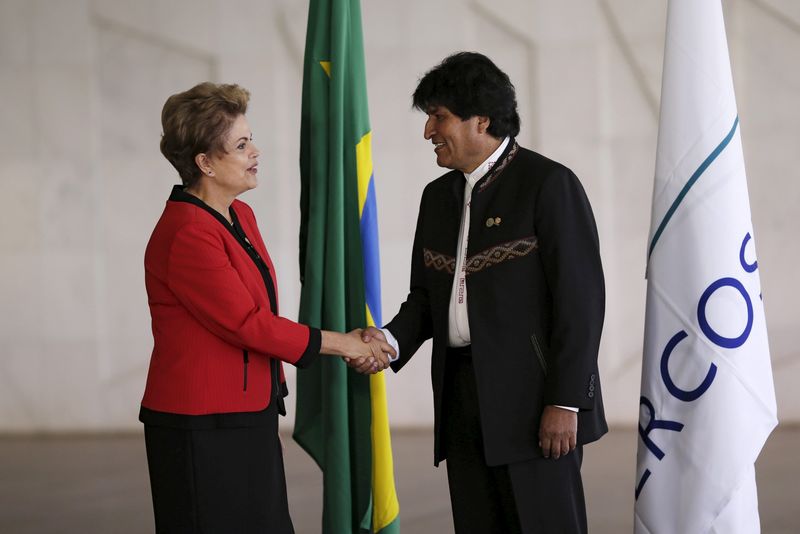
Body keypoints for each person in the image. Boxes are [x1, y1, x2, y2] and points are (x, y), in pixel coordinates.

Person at [358, 52, 607, 533]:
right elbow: (426, 301)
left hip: (536, 406)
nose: (428, 131)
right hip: (461, 403)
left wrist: (565, 402)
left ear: (482, 120)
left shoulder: (549, 184)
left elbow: (581, 303)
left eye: (439, 117)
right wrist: (387, 341)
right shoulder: (437, 198)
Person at [139, 82, 393, 534]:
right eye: (240, 144)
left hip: (245, 411)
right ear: (205, 163)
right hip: (199, 425)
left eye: (250, 138)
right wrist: (345, 344)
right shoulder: (188, 234)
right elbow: (248, 325)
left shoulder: (239, 215)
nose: (256, 150)